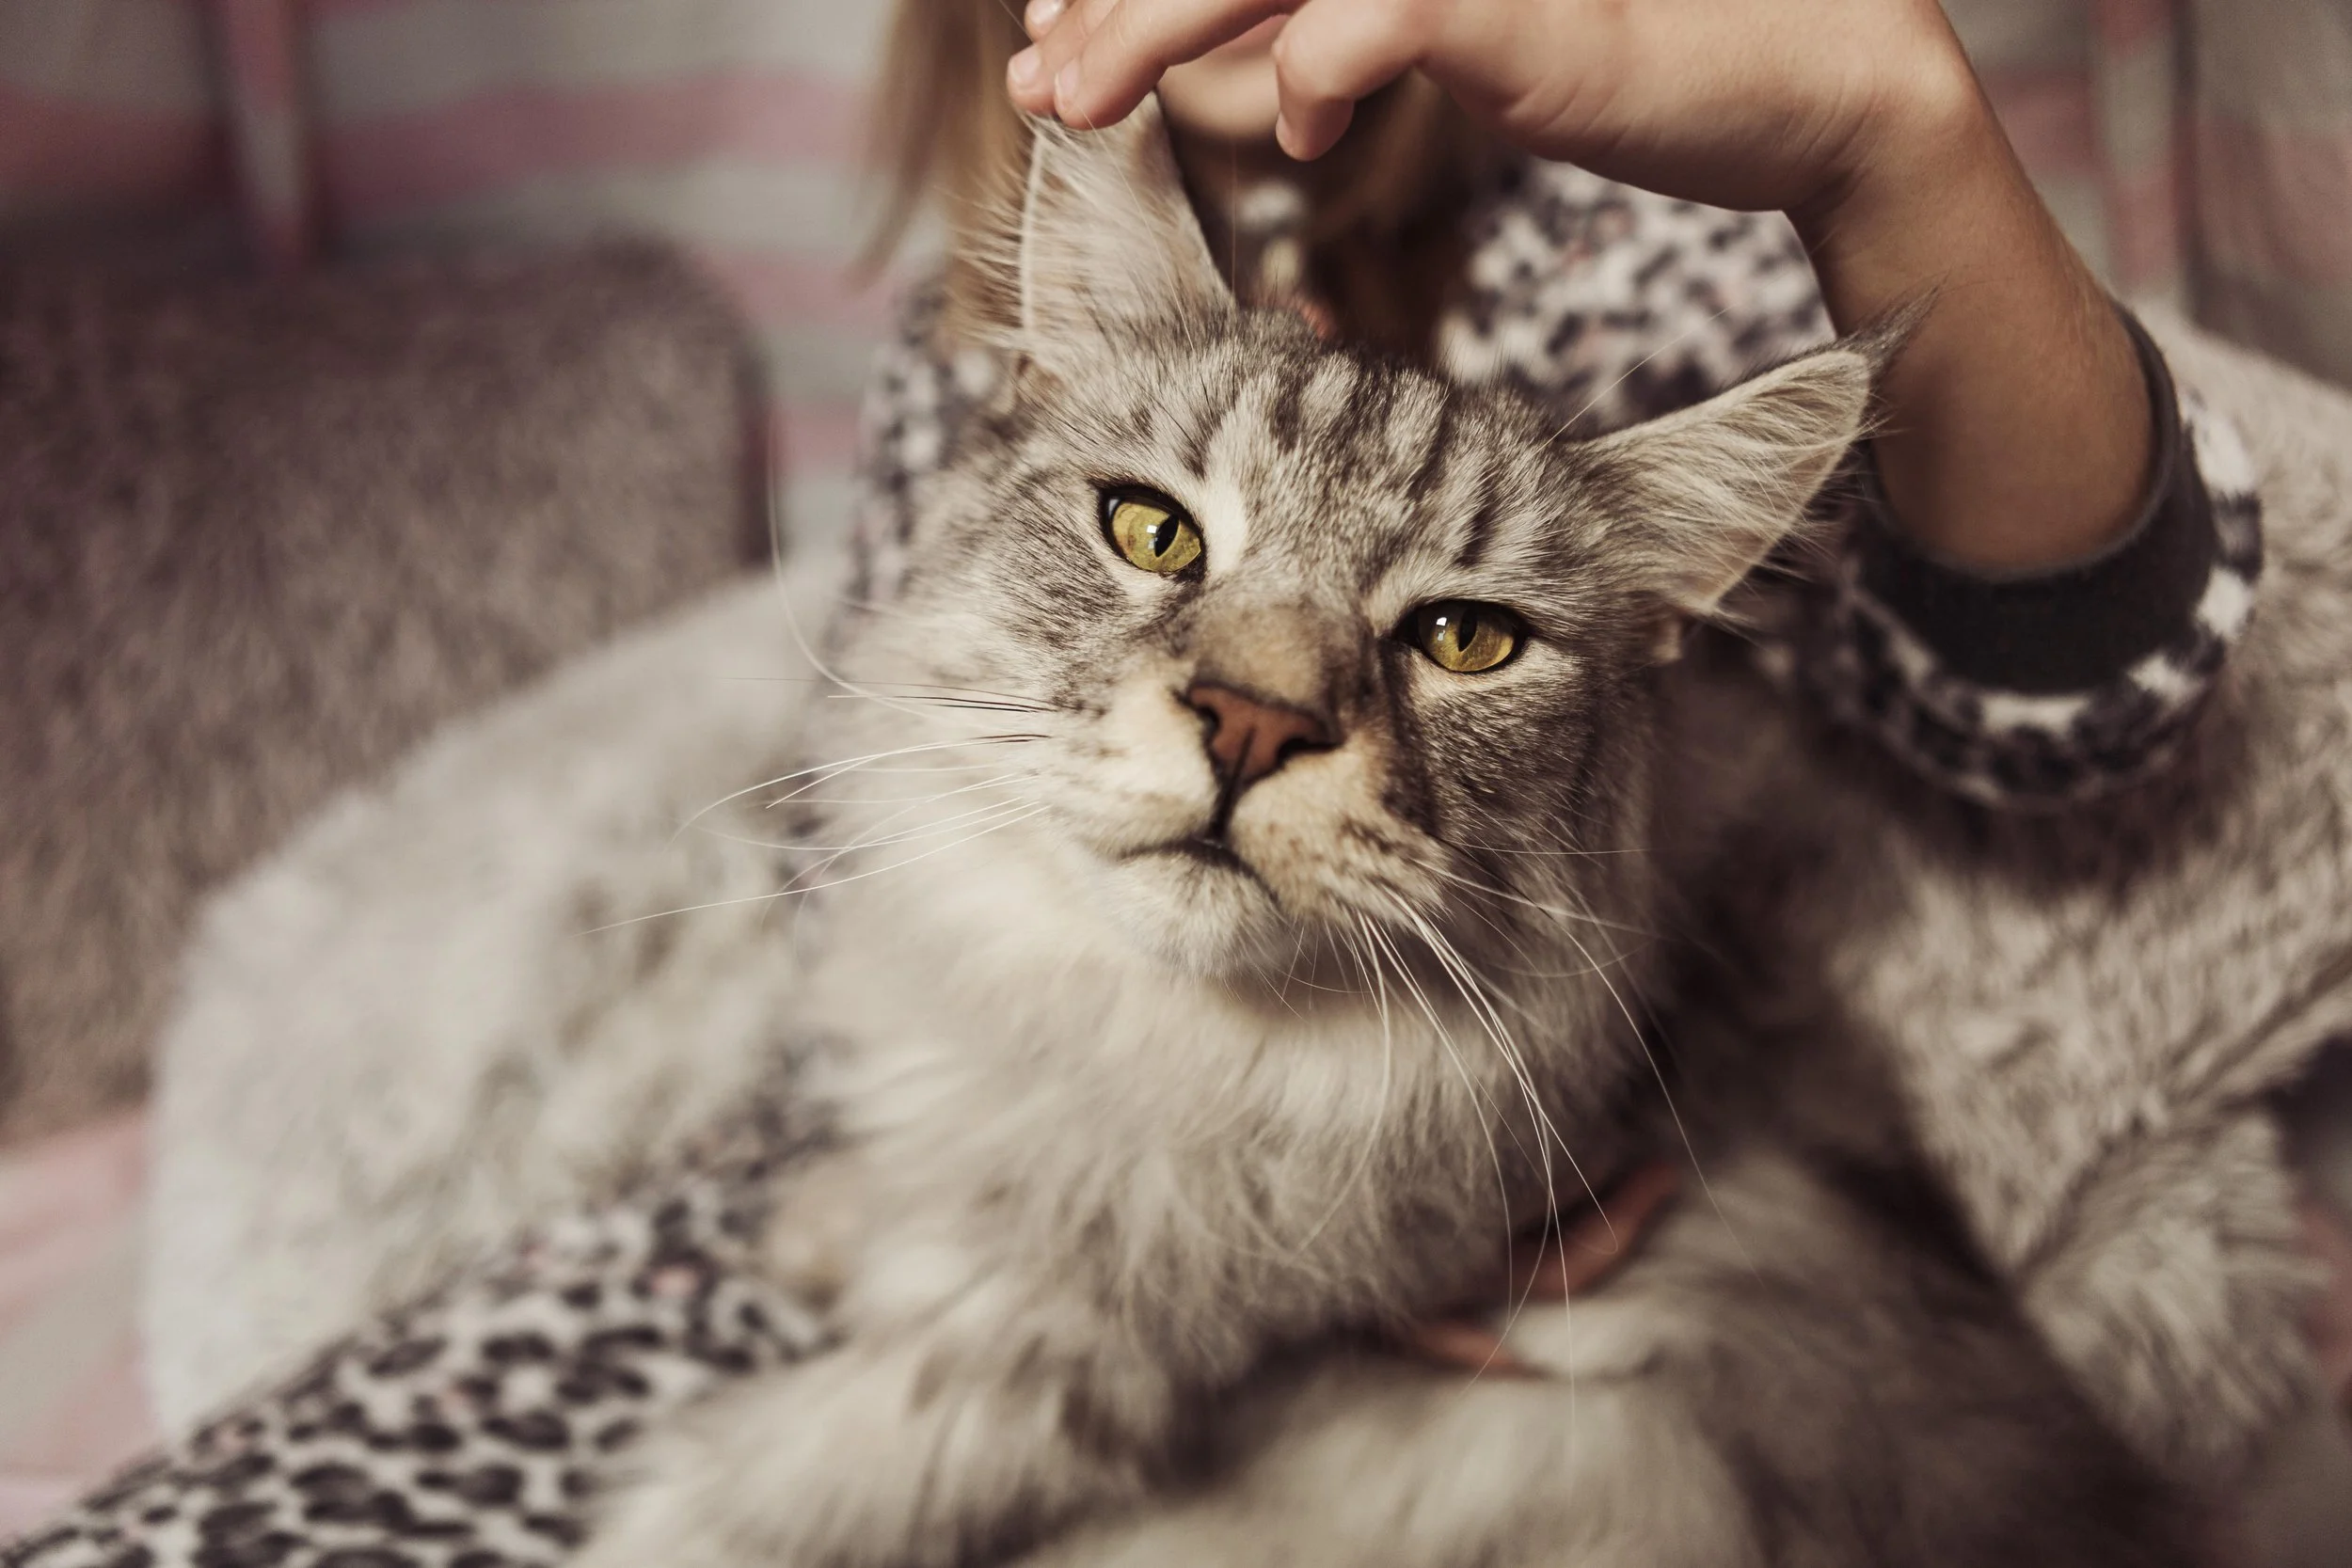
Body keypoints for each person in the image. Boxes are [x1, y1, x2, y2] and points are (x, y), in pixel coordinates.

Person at [858, 0, 2349, 1468]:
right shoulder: (959, 333)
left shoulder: (1654, 241)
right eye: (1154, 529)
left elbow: (2088, 695)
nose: (1259, 710)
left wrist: (1890, 138)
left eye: (1455, 630)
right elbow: (887, 732)